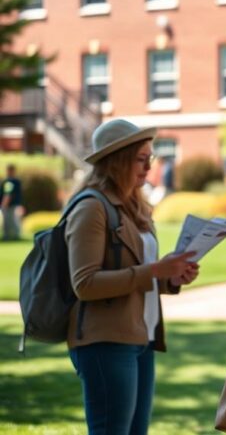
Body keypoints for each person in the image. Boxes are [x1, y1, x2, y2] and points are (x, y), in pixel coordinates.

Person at [66, 119, 201, 434]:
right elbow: (84, 284)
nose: (149, 166)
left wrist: (171, 277)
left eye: (150, 158)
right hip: (105, 340)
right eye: (142, 159)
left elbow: (140, 271)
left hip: (141, 335)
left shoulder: (135, 205)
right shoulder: (91, 207)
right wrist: (155, 271)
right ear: (118, 160)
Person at [1, 164, 24, 241]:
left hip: (9, 205)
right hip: (14, 204)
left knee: (9, 220)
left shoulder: (9, 181)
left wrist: (4, 204)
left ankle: (9, 236)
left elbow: (8, 194)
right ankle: (15, 235)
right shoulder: (17, 181)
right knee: (14, 219)